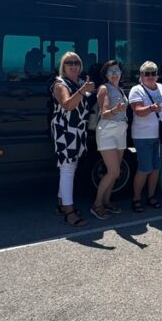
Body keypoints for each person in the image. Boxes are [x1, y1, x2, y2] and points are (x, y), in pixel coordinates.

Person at [50, 51, 95, 227]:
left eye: (76, 62)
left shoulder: (82, 82)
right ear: (64, 66)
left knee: (70, 167)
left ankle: (61, 203)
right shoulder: (60, 84)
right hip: (65, 130)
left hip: (79, 130)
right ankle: (69, 211)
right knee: (67, 169)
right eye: (69, 63)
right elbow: (68, 105)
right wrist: (83, 91)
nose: (74, 66)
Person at [128, 60, 162, 211]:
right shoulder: (136, 90)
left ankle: (151, 196)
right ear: (141, 76)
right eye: (147, 74)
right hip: (143, 136)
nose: (150, 76)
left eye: (153, 73)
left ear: (157, 75)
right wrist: (151, 108)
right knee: (144, 168)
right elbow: (137, 110)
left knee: (156, 168)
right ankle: (137, 198)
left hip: (160, 135)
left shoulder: (161, 87)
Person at [93, 60, 129, 215]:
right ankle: (97, 204)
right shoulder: (104, 88)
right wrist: (116, 109)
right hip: (107, 130)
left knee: (116, 171)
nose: (115, 74)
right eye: (111, 71)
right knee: (113, 171)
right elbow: (105, 113)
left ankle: (107, 202)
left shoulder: (119, 89)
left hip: (120, 130)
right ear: (105, 75)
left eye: (117, 70)